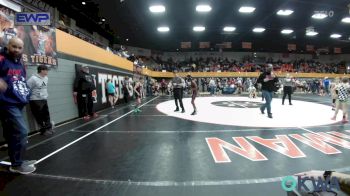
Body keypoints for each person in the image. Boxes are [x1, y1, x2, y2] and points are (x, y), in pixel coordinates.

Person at [0, 37, 36, 174]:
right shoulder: (2, 58)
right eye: (14, 46)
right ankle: (17, 164)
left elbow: (21, 79)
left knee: (12, 134)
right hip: (6, 103)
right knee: (21, 132)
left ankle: (16, 160)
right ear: (8, 45)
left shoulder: (20, 61)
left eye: (19, 47)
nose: (16, 50)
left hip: (17, 101)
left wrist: (25, 94)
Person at [27, 65, 54, 136]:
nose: (47, 71)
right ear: (42, 70)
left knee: (46, 115)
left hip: (44, 99)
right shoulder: (33, 79)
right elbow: (27, 88)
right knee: (39, 116)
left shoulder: (46, 78)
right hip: (35, 100)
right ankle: (43, 130)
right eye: (46, 70)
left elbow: (44, 88)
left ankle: (49, 128)